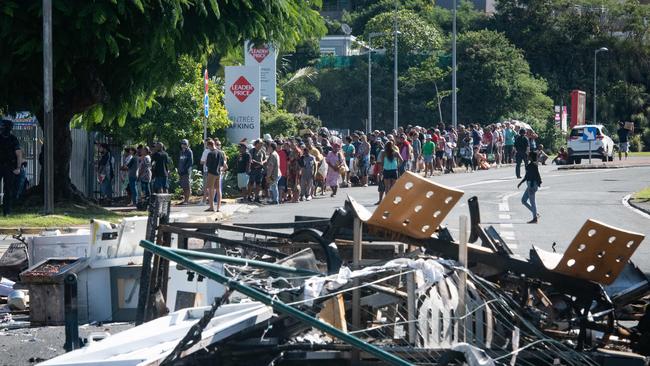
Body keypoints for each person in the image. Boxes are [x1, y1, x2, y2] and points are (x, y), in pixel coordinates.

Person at [0, 119, 22, 216]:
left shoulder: (13, 139)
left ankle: (7, 211)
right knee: (8, 190)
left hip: (8, 166)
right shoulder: (13, 139)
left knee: (8, 190)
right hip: (9, 167)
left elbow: (18, 154)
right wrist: (18, 167)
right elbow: (19, 154)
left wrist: (18, 167)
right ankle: (6, 212)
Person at [518, 151, 542, 224]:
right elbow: (527, 176)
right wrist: (521, 183)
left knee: (532, 202)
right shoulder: (531, 165)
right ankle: (536, 214)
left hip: (531, 185)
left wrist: (532, 185)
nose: (527, 157)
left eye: (528, 156)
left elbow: (534, 176)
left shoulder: (533, 165)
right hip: (530, 185)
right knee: (523, 200)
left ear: (531, 157)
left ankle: (535, 218)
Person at [205, 139, 225, 212]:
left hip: (211, 173)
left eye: (208, 146)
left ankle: (211, 207)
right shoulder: (221, 153)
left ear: (210, 145)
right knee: (218, 189)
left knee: (210, 189)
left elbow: (207, 164)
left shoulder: (210, 153)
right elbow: (222, 164)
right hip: (218, 173)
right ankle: (219, 207)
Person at [178, 139, 194, 205]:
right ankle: (185, 199)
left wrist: (185, 169)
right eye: (182, 143)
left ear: (187, 144)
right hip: (181, 171)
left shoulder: (189, 152)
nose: (183, 145)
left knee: (187, 186)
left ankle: (187, 200)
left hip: (186, 171)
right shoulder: (181, 152)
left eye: (185, 144)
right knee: (184, 186)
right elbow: (180, 161)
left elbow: (190, 162)